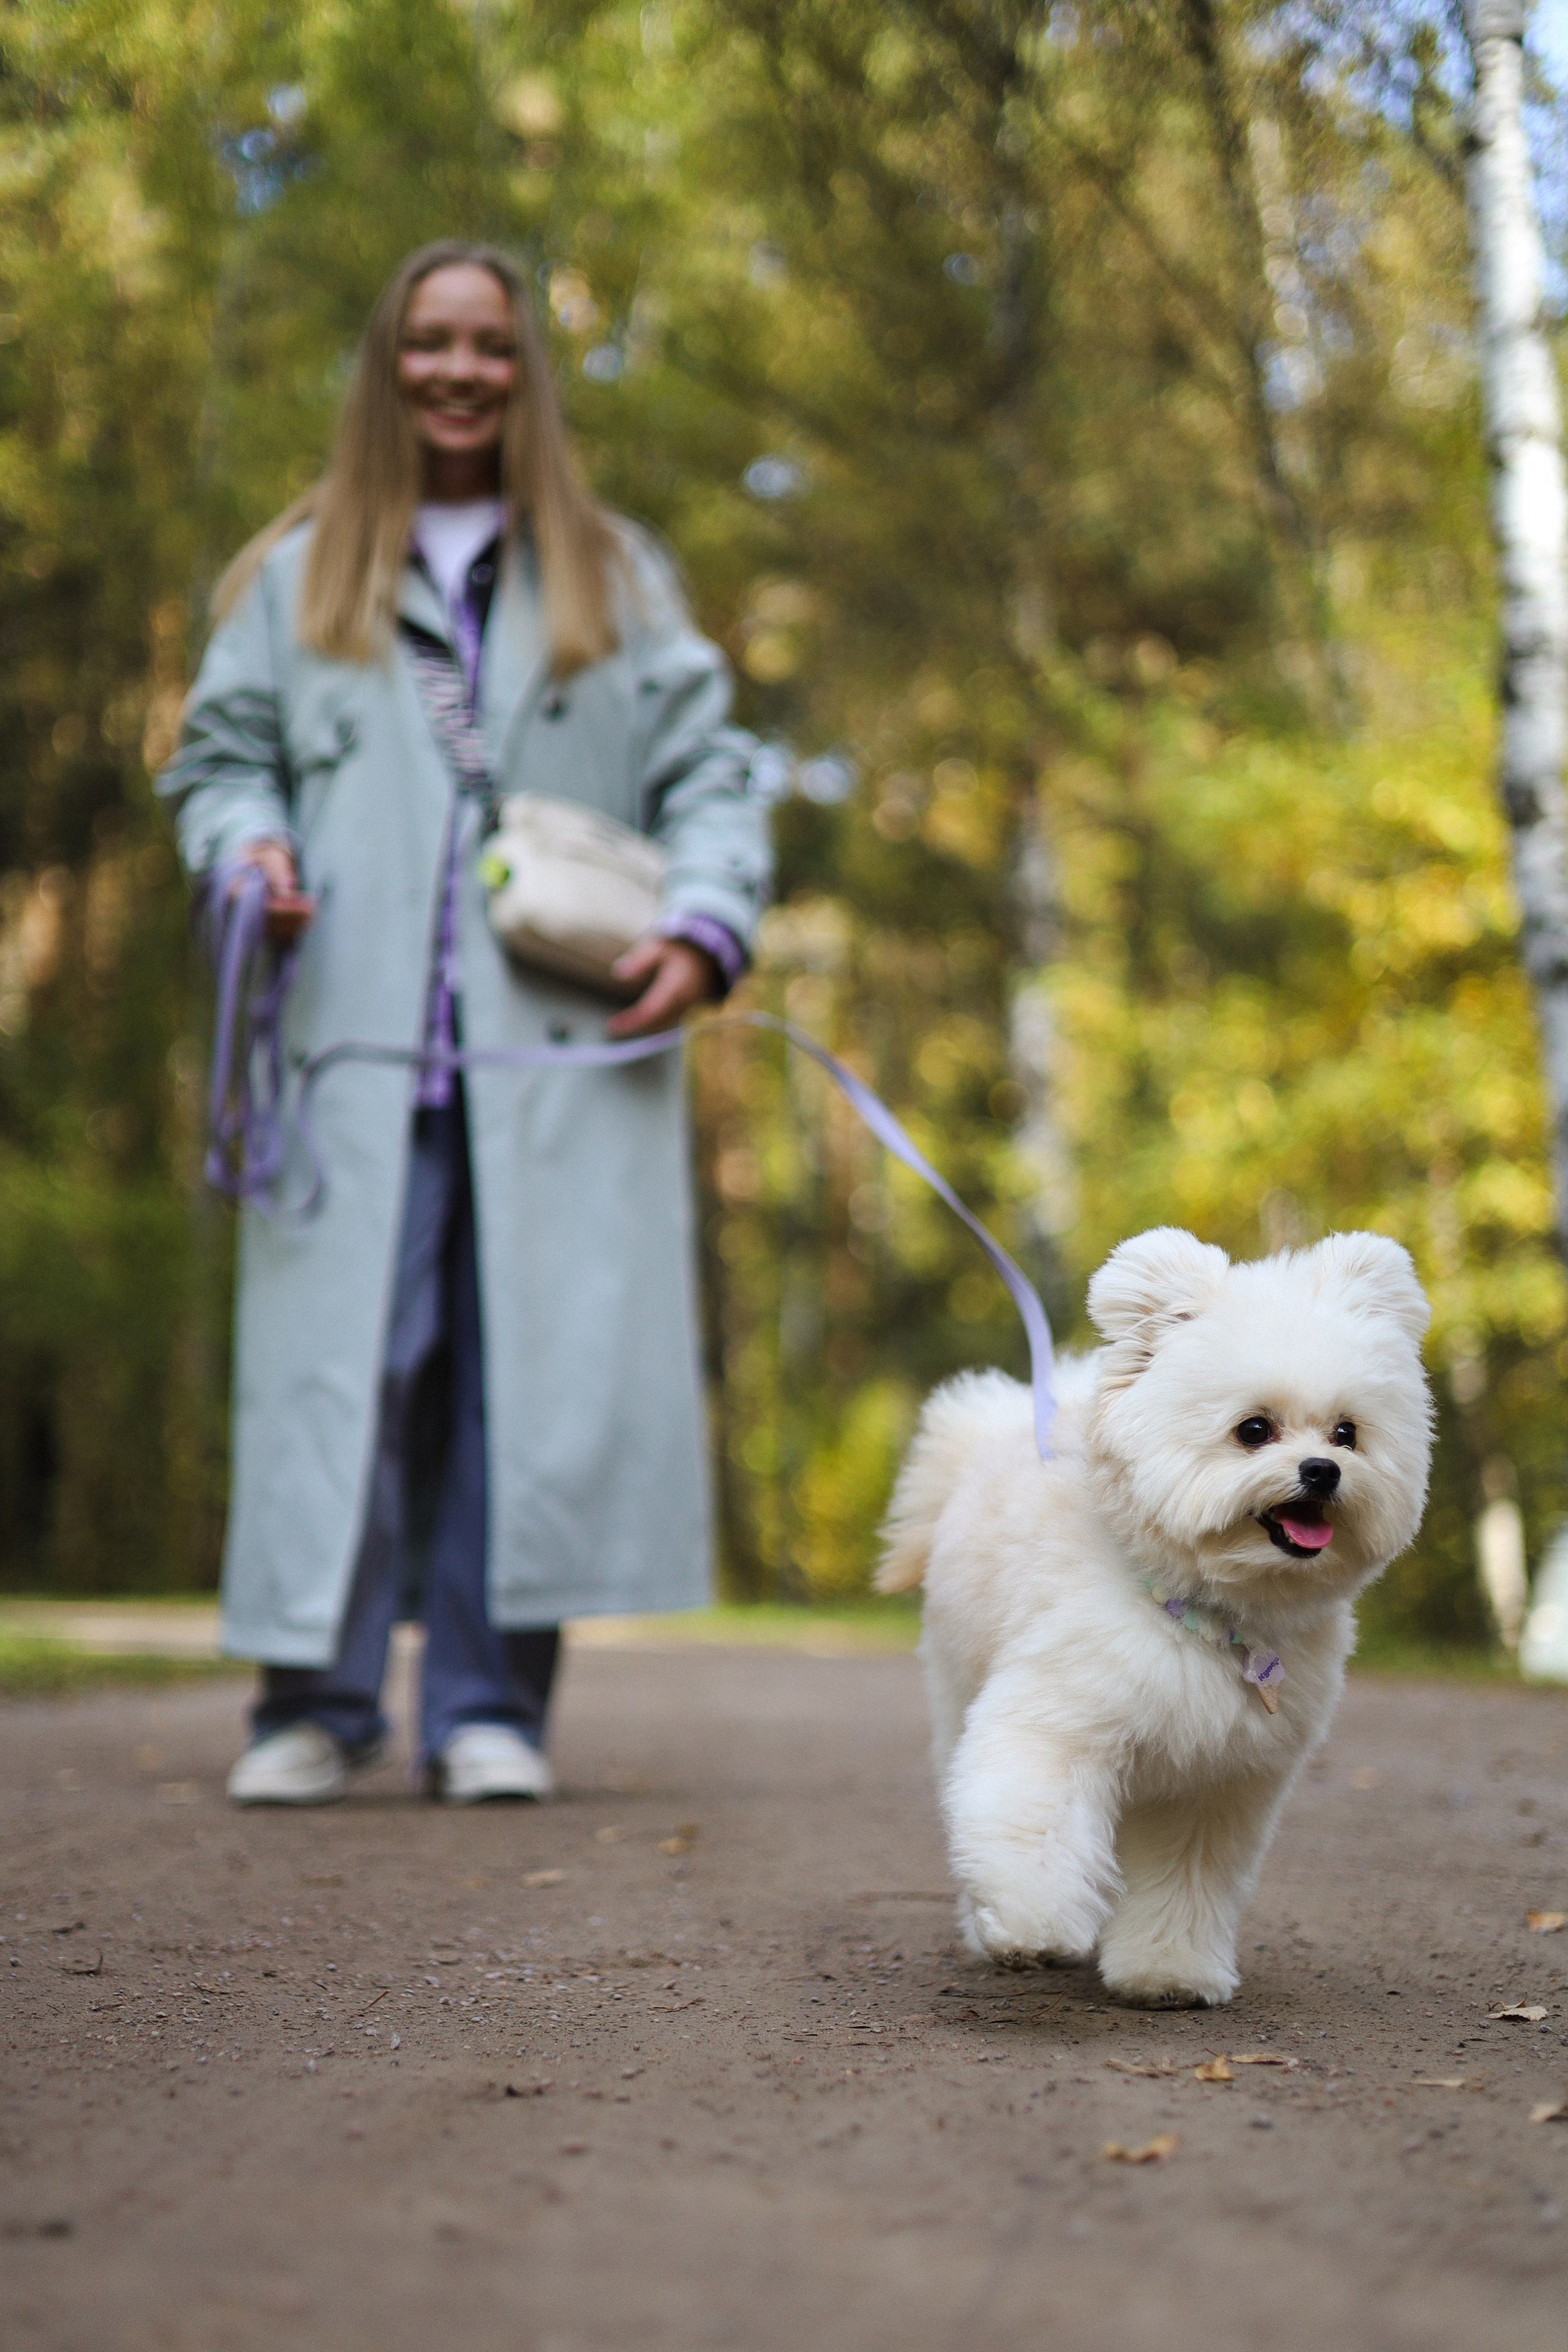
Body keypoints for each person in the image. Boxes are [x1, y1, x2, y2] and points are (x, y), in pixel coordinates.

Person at [159, 240, 772, 1806]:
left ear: (525, 370)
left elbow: (711, 772)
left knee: (528, 1375)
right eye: (428, 342)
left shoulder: (613, 573)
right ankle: (315, 1701)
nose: (457, 370)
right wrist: (249, 852)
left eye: (488, 345)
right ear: (387, 362)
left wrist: (705, 926)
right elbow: (221, 760)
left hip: (556, 1053)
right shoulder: (294, 575)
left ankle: (491, 1705)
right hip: (351, 1057)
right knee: (349, 1374)